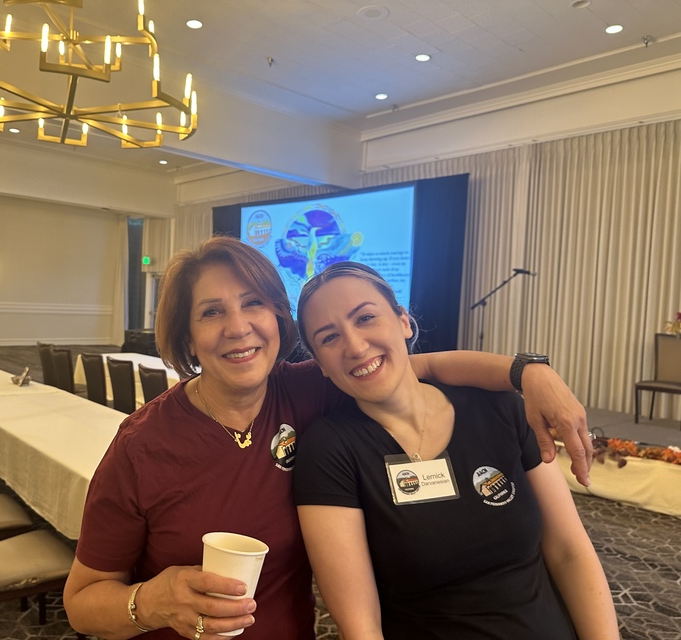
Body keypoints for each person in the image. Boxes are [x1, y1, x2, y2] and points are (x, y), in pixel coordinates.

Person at [63, 236, 593, 640]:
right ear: (187, 337)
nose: (238, 327)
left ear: (277, 318)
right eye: (212, 312)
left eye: (253, 303)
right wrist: (151, 602)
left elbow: (415, 367)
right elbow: (82, 603)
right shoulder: (143, 445)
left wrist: (530, 371)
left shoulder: (306, 388)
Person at [293, 261, 617, 640]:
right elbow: (362, 626)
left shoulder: (498, 408)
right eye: (329, 338)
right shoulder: (329, 451)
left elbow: (569, 552)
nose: (355, 346)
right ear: (320, 365)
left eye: (365, 318)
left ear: (403, 321)